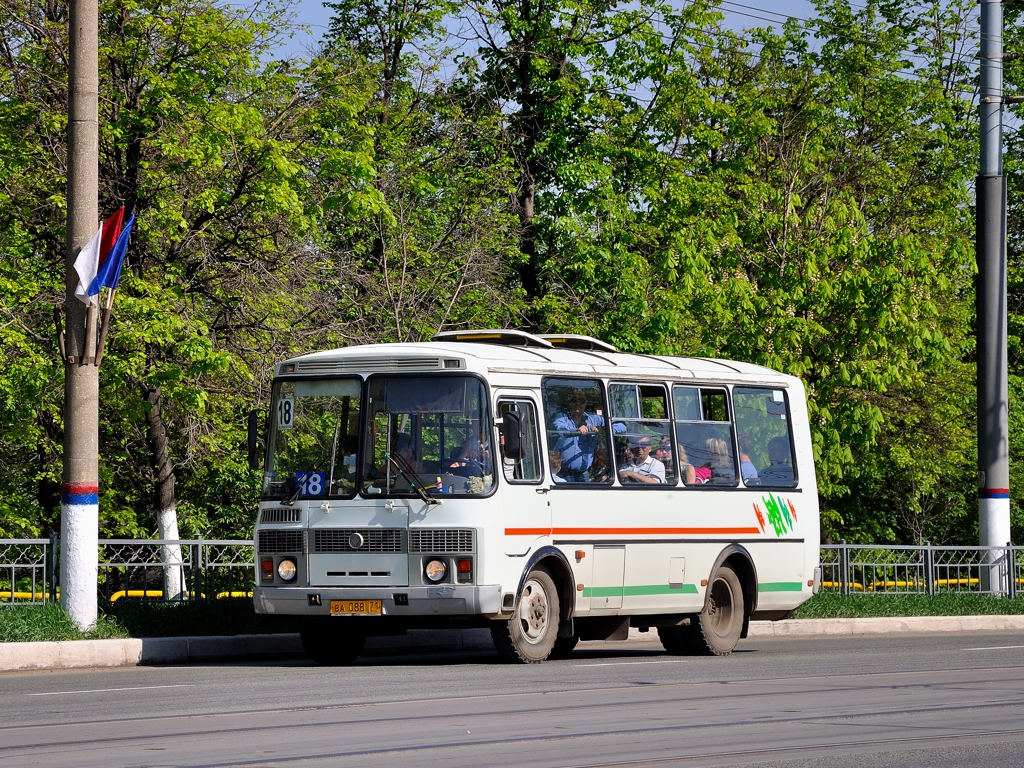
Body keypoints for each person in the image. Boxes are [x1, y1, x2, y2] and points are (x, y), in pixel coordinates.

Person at [551, 389, 623, 481]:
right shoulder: (561, 418)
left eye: (581, 401)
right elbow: (560, 430)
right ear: (569, 403)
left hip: (584, 474)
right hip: (563, 474)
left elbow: (622, 426)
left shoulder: (594, 419)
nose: (578, 404)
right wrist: (576, 431)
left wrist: (603, 429)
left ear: (585, 403)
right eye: (574, 401)